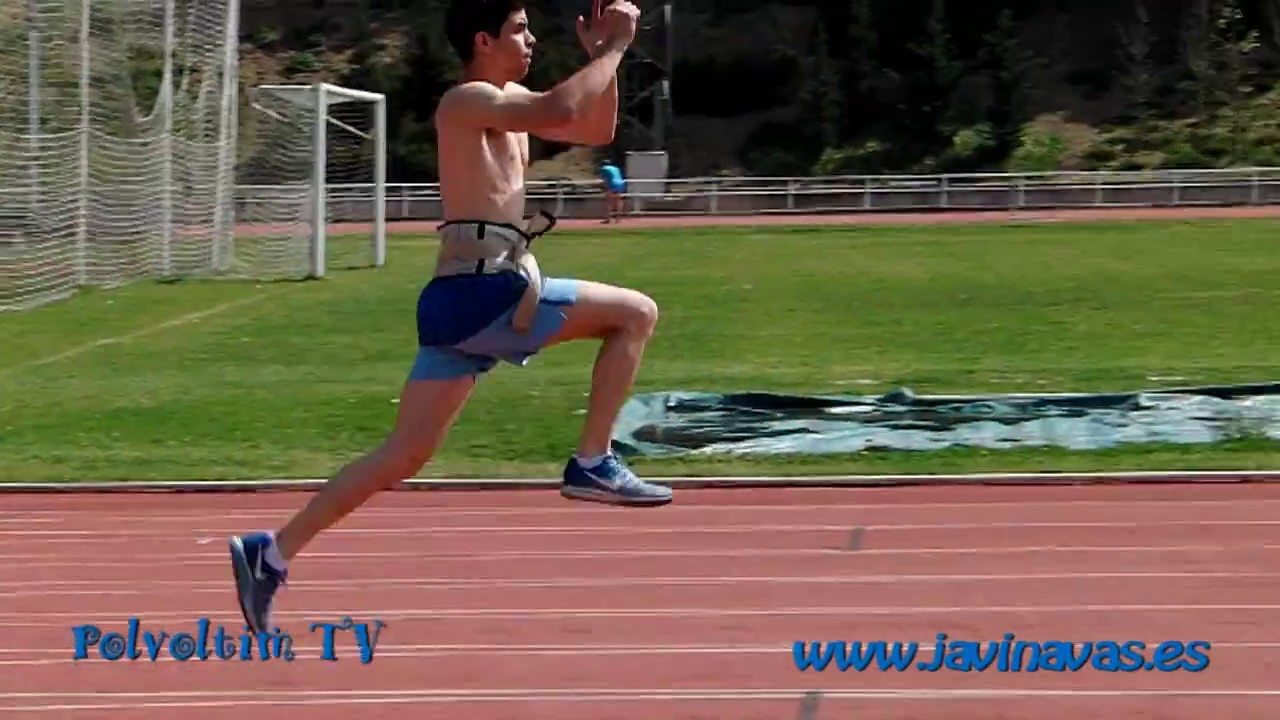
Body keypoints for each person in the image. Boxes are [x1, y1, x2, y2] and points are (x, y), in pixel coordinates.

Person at [226, 0, 672, 636]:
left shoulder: (510, 103)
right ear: (483, 39)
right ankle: (593, 461)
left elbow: (593, 127)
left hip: (461, 298)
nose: (531, 39)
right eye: (519, 30)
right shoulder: (466, 99)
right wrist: (615, 48)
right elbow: (562, 110)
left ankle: (270, 554)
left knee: (404, 452)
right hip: (483, 293)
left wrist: (604, 59)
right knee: (635, 315)